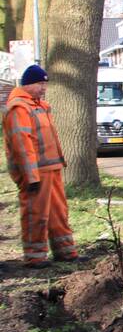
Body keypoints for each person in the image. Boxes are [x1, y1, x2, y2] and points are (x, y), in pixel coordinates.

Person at [3, 64, 80, 268]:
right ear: (28, 84)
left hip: (51, 169)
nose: (44, 88)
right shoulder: (19, 108)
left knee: (58, 212)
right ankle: (35, 256)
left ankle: (66, 251)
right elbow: (22, 145)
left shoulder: (40, 106)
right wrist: (31, 176)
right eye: (40, 84)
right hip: (36, 172)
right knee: (35, 213)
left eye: (45, 84)